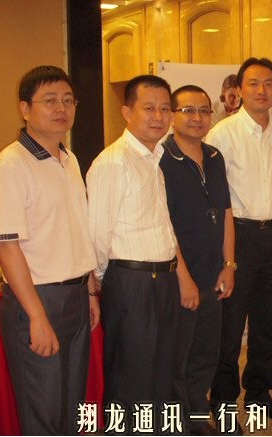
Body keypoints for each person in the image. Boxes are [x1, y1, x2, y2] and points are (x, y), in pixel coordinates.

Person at [0, 65, 99, 435]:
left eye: (68, 100)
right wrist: (36, 316)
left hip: (75, 297)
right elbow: (8, 247)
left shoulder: (69, 159)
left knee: (72, 407)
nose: (61, 108)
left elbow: (75, 231)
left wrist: (89, 291)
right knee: (44, 413)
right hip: (37, 300)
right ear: (25, 108)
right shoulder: (10, 165)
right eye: (49, 100)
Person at [86, 75, 186, 432]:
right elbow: (97, 234)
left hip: (162, 279)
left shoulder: (154, 157)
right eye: (149, 108)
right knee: (131, 378)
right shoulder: (113, 162)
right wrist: (103, 282)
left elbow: (162, 224)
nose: (159, 116)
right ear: (127, 112)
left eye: (165, 108)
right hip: (131, 282)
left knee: (161, 374)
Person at [205, 57, 272, 431]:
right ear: (239, 89)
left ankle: (259, 393)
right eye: (254, 83)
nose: (262, 90)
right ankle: (223, 403)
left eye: (269, 83)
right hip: (237, 237)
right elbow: (212, 197)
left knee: (270, 323)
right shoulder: (221, 135)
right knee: (229, 327)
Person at [160, 85, 236, 435]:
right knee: (178, 359)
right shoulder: (162, 159)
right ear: (172, 115)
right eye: (188, 110)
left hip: (212, 274)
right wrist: (183, 277)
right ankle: (178, 424)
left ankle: (196, 417)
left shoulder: (215, 156)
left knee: (206, 354)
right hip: (178, 279)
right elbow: (163, 224)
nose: (197, 118)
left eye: (204, 111)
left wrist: (229, 265)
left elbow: (226, 212)